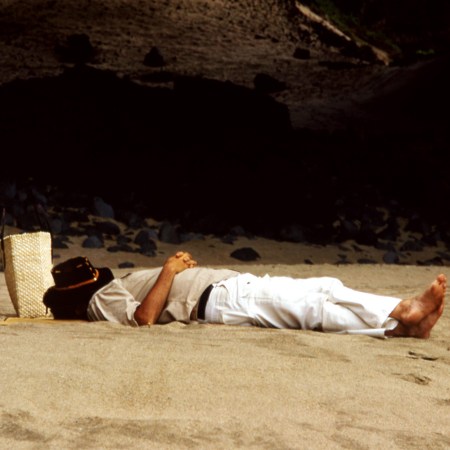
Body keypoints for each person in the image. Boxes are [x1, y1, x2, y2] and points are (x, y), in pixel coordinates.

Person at [43, 251, 446, 339]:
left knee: (316, 299)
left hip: (222, 294)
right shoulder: (99, 300)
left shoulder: (104, 291)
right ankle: (400, 310)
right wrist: (170, 270)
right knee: (316, 299)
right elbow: (142, 319)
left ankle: (398, 327)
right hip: (217, 299)